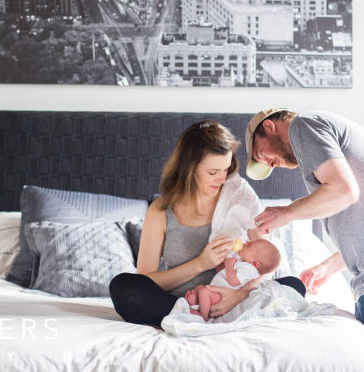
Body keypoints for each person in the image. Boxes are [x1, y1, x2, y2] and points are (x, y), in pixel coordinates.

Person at [245, 109, 364, 369]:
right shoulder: (320, 138)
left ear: (269, 126)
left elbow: (345, 190)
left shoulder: (303, 126)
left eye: (261, 154)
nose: (269, 164)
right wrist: (329, 266)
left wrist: (287, 213)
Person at [109, 121, 306, 326]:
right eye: (212, 172)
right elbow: (146, 281)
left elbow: (266, 269)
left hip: (235, 301)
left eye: (226, 169)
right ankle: (189, 316)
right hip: (177, 303)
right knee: (123, 287)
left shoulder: (238, 196)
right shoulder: (160, 211)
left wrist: (238, 296)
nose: (221, 180)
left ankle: (216, 316)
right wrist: (200, 264)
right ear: (189, 169)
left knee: (294, 285)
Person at [184, 239, 281, 320]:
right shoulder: (243, 262)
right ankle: (196, 303)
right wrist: (222, 266)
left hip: (222, 296)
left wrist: (229, 264)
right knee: (200, 288)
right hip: (216, 290)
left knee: (204, 292)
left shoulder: (250, 270)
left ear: (255, 263)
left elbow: (233, 282)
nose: (246, 242)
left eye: (249, 245)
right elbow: (225, 274)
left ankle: (202, 316)